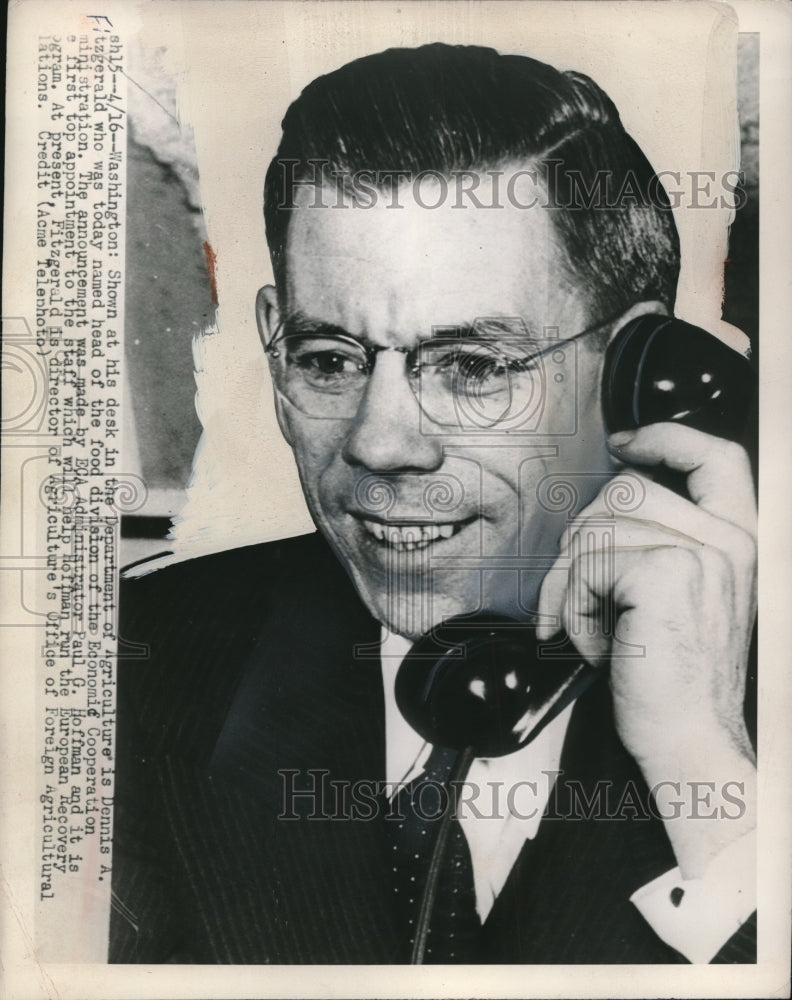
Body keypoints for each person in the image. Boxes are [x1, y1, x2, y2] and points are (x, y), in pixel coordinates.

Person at [110, 43, 757, 964]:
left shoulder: (745, 720)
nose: (381, 444)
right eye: (328, 358)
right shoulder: (126, 675)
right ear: (271, 341)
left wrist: (709, 777)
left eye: (471, 367)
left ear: (632, 372)